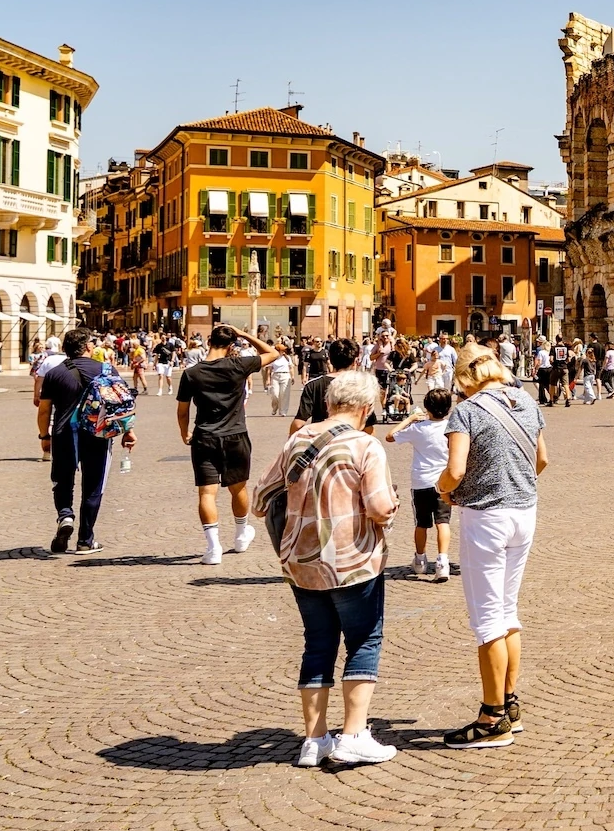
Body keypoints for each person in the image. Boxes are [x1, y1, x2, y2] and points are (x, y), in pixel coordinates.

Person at [256, 368, 402, 766]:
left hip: (301, 561)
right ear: (368, 408)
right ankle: (353, 734)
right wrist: (392, 506)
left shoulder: (298, 440)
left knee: (317, 643)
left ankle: (314, 740)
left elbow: (260, 498)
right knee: (364, 640)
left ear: (328, 404)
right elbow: (378, 507)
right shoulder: (365, 446)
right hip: (352, 560)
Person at [437, 343, 547, 749]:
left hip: (486, 518)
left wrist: (444, 489)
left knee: (487, 621)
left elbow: (455, 470)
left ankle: (492, 717)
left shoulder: (466, 411)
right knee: (507, 611)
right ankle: (510, 704)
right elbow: (542, 460)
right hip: (525, 513)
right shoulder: (526, 401)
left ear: (465, 379)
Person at [177, 324, 281, 565]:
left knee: (206, 493)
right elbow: (273, 353)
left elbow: (183, 411)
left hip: (204, 436)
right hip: (235, 435)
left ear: (208, 341)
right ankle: (241, 534)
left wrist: (185, 433)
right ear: (231, 344)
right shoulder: (238, 366)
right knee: (238, 488)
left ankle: (213, 549)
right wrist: (244, 334)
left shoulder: (192, 373)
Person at [36, 328, 137, 555]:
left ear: (65, 349)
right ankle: (85, 540)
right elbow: (122, 404)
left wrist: (45, 436)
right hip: (97, 433)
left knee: (63, 479)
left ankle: (65, 516)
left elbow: (44, 411)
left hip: (64, 433)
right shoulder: (106, 369)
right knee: (93, 485)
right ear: (89, 347)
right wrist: (128, 432)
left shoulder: (55, 373)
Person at [388, 387, 455, 581]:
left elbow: (390, 436)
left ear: (427, 407)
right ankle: (443, 561)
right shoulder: (451, 428)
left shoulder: (418, 428)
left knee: (421, 524)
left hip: (421, 481)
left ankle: (420, 560)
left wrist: (409, 419)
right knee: (443, 522)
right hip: (443, 482)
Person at [266, 343, 294, 417]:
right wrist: (268, 379)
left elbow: (291, 368)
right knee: (275, 394)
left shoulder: (287, 358)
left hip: (285, 375)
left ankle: (283, 411)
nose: (284, 351)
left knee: (284, 394)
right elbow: (269, 370)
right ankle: (275, 407)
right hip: (275, 376)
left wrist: (293, 376)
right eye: (282, 350)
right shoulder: (273, 358)